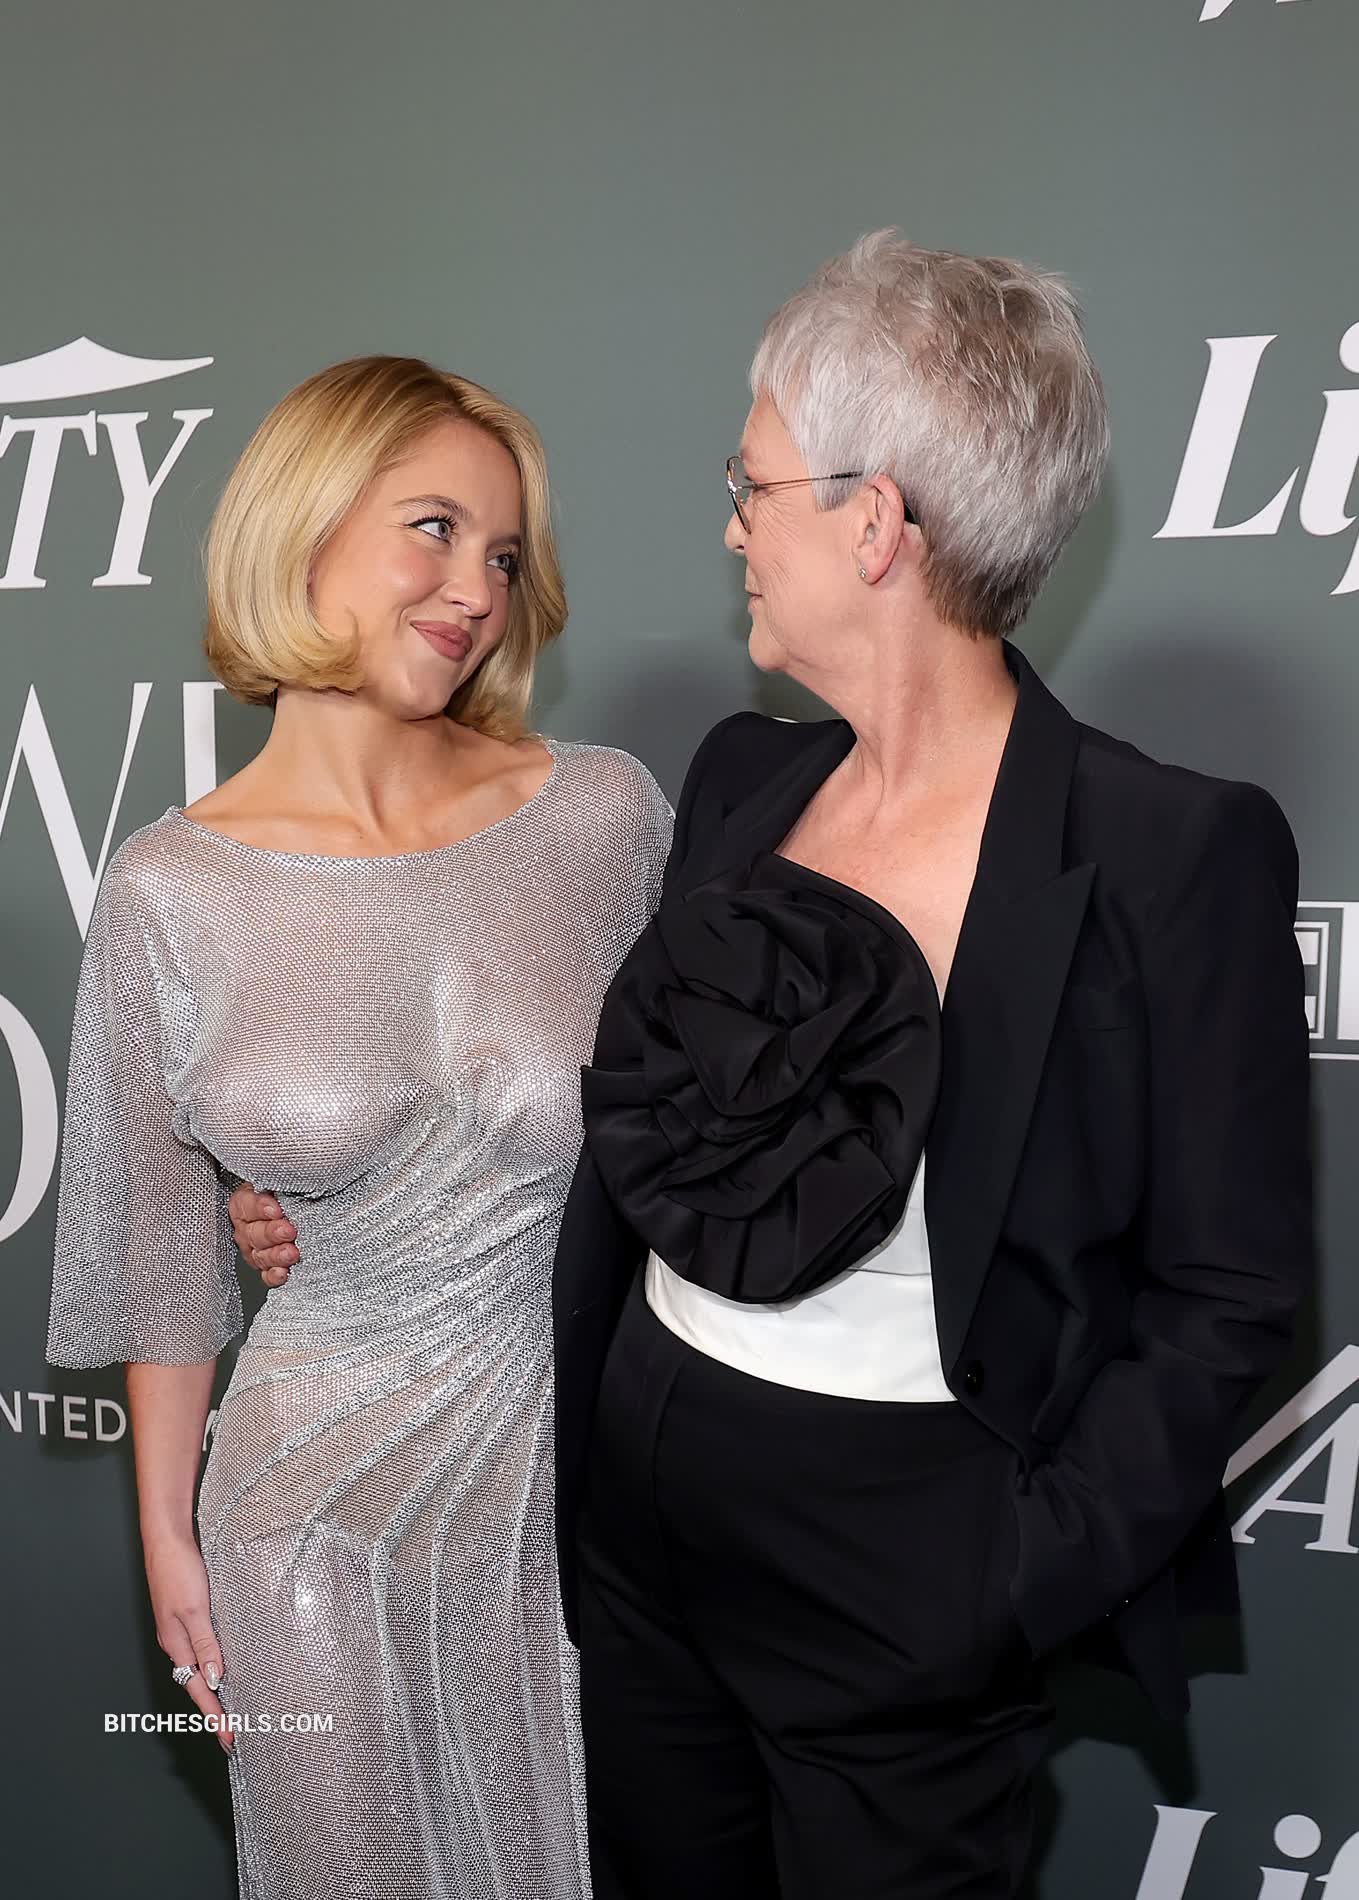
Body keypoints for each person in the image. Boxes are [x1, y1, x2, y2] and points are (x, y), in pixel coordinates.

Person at [229, 235, 1313, 1900]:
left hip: (915, 1564)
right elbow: (603, 1101)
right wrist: (322, 1197)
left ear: (875, 522)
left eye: (753, 487)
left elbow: (1231, 1294)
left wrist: (1010, 1579)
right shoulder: (742, 783)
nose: (733, 527)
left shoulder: (1172, 852)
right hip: (642, 1524)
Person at [45, 354, 672, 1900]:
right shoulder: (166, 892)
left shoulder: (604, 819)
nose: (476, 590)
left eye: (504, 555)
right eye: (434, 529)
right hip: (302, 1512)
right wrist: (170, 1539)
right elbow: (160, 1253)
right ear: (303, 525)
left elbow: (702, 1151)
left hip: (576, 1496)